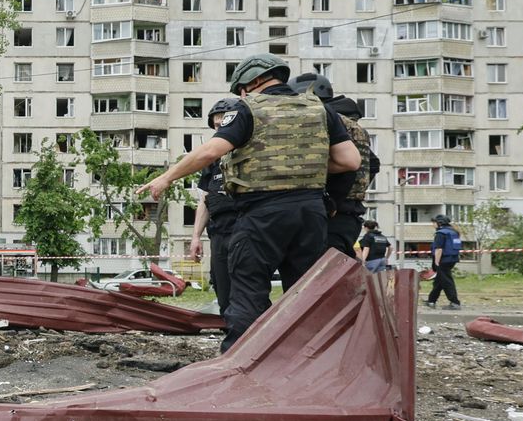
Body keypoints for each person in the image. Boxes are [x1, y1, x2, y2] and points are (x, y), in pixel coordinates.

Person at [139, 53, 360, 352]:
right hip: (311, 213)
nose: (243, 95)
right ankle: (310, 361)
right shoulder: (319, 109)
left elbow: (210, 152)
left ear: (254, 82)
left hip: (263, 214)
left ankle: (239, 363)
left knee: (247, 289)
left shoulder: (248, 109)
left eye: (242, 89)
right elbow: (349, 161)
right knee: (304, 292)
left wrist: (166, 178)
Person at [292, 73, 378, 259]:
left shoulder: (326, 120)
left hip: (329, 213)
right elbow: (373, 164)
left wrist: (331, 200)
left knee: (319, 275)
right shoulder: (352, 124)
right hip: (349, 212)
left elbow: (346, 166)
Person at [187, 98, 241, 311]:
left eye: (224, 125)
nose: (220, 130)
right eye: (216, 126)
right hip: (219, 232)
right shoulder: (212, 160)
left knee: (245, 284)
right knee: (221, 284)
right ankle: (229, 328)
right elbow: (205, 199)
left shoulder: (249, 153)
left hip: (245, 228)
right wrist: (195, 237)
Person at [427, 213, 463, 309]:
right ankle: (431, 300)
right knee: (440, 280)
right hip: (453, 258)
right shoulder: (454, 232)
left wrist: (436, 262)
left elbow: (439, 249)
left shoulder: (441, 233)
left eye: (434, 222)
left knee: (447, 281)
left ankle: (455, 302)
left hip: (443, 259)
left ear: (439, 223)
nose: (433, 225)